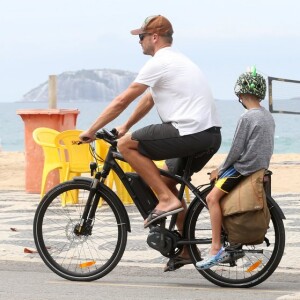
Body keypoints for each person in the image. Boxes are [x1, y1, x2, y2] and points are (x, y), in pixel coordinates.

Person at [79, 15, 222, 270]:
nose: (139, 41)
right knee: (167, 180)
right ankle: (188, 250)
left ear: (154, 37)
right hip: (207, 135)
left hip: (189, 132)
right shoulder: (176, 61)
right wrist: (125, 126)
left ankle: (166, 200)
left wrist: (91, 129)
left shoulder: (161, 61)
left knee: (126, 145)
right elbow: (148, 99)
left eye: (141, 36)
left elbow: (122, 100)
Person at [196, 68, 275, 270]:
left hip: (242, 169)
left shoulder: (247, 117)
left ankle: (215, 249)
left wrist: (220, 169)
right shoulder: (267, 117)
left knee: (211, 198)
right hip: (259, 169)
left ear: (240, 94)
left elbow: (236, 151)